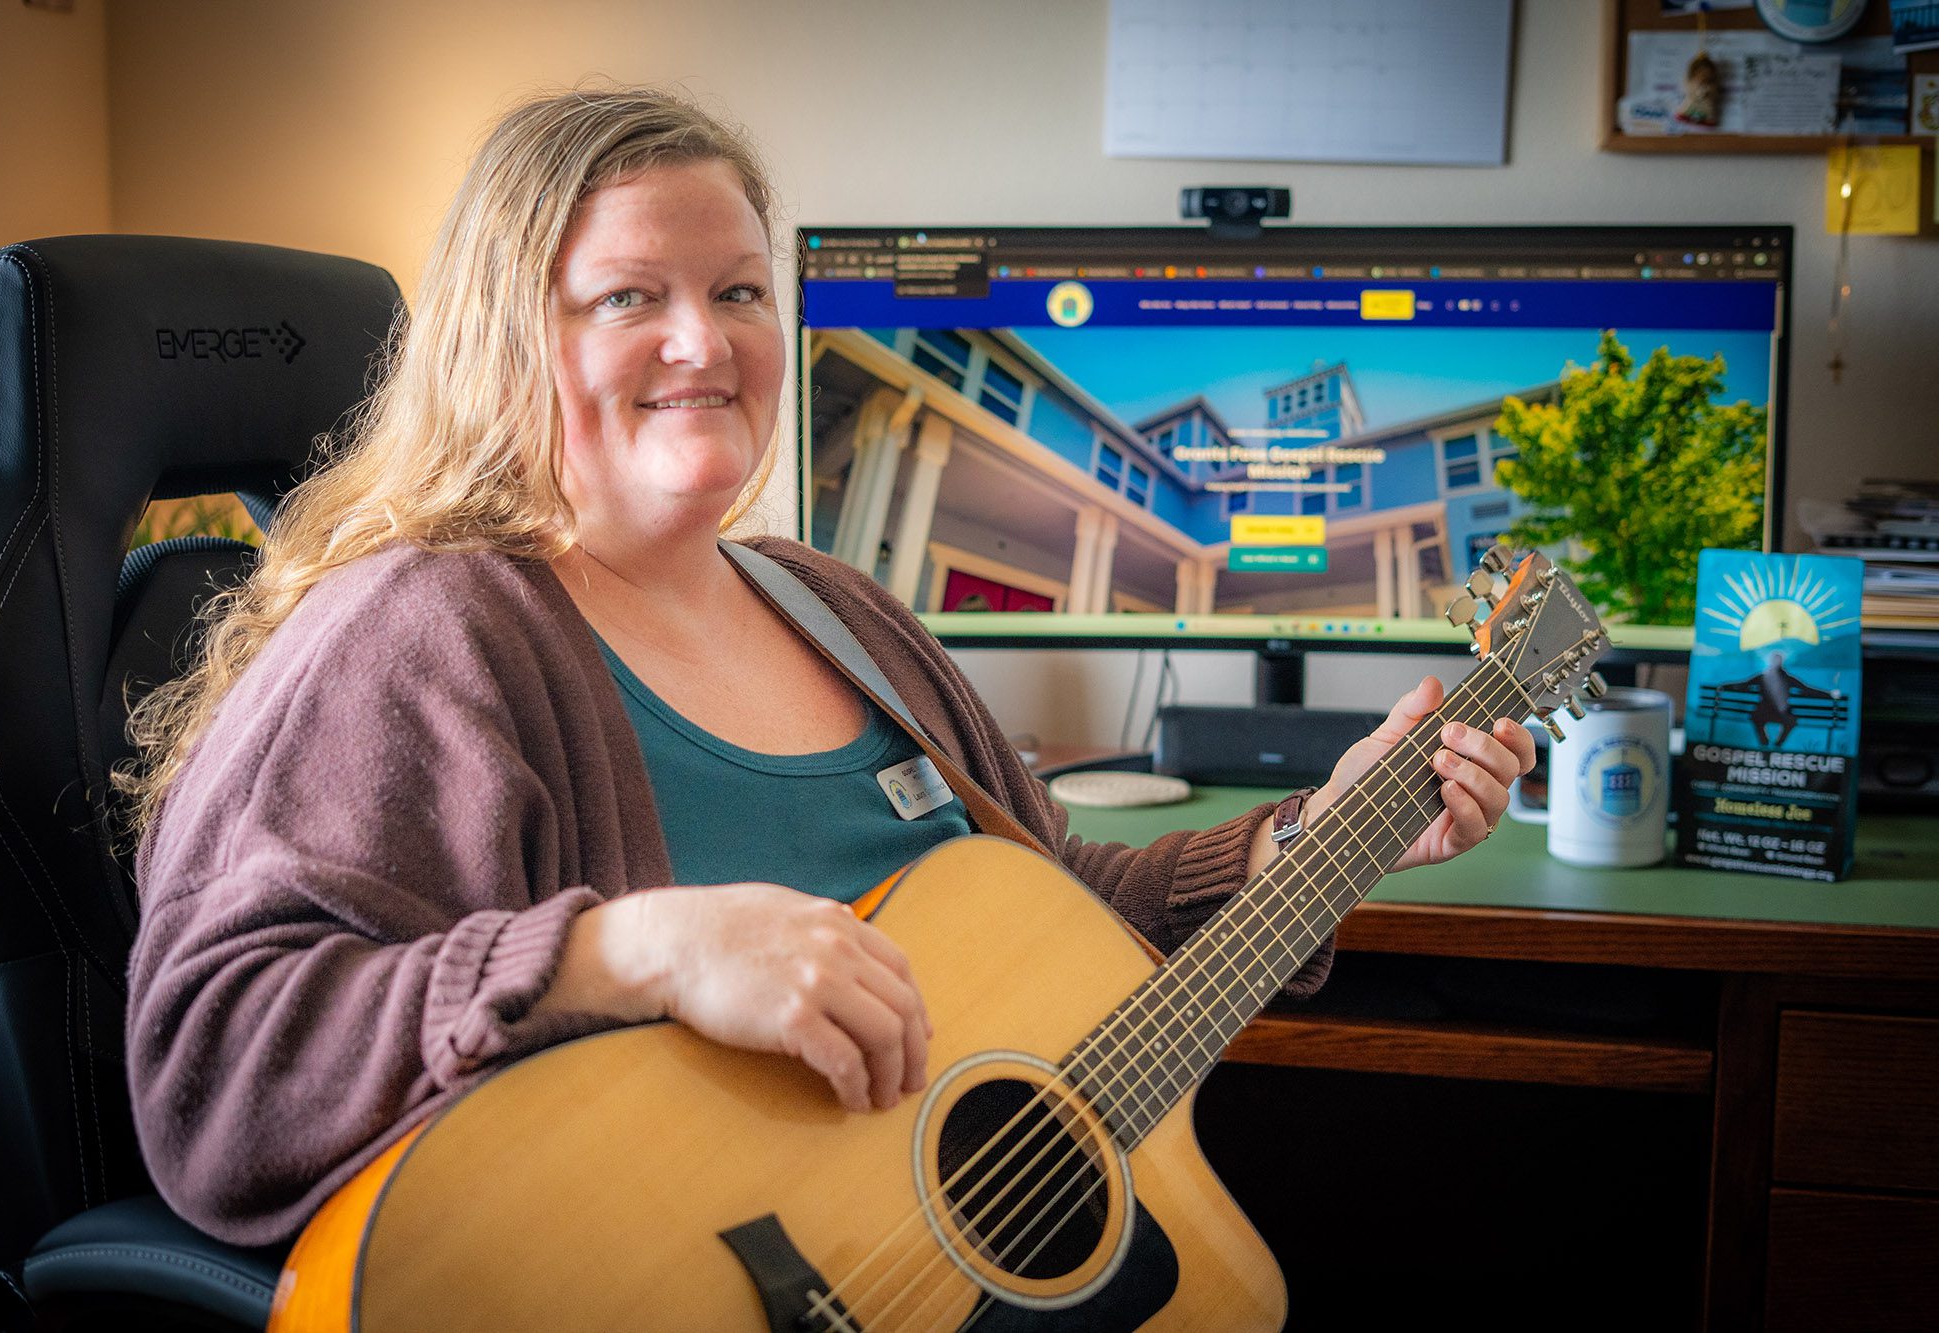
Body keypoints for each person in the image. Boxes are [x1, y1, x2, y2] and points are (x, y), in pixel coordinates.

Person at [121, 86, 1533, 1249]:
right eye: (629, 296)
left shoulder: (827, 603)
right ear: (510, 338)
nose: (706, 340)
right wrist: (635, 949)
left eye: (738, 288)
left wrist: (1321, 834)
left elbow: (1048, 907)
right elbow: (218, 1065)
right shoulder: (424, 628)